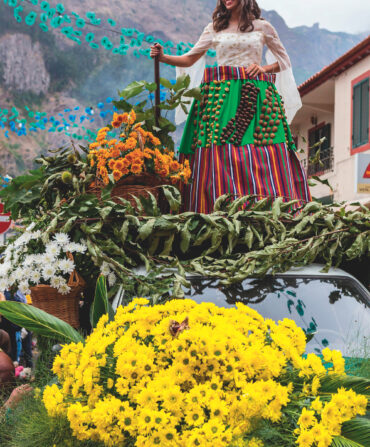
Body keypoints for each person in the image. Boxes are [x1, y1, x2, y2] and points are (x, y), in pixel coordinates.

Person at [151, 0, 311, 213]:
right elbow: (189, 59)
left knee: (262, 149)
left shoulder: (263, 27)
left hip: (256, 94)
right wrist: (163, 57)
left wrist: (263, 68)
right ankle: (215, 207)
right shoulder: (213, 29)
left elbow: (284, 61)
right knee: (218, 151)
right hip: (221, 96)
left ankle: (266, 208)